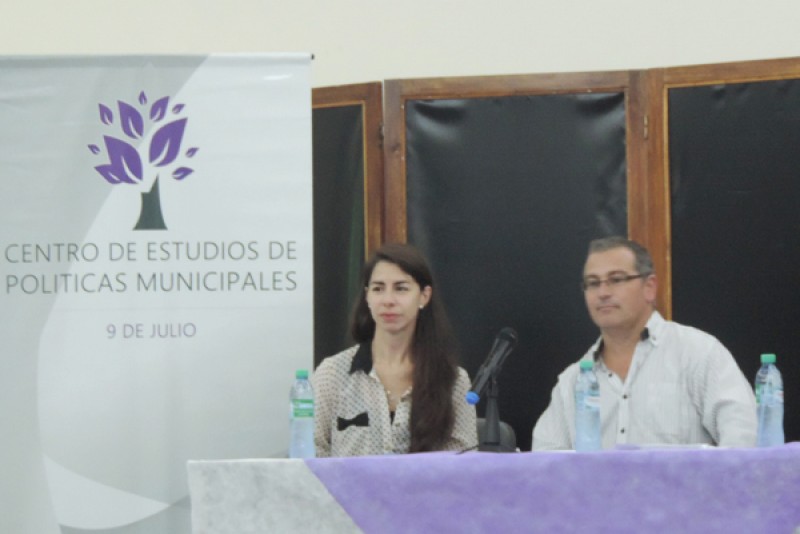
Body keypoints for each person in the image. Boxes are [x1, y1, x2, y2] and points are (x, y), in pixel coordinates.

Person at [532, 236, 757, 450]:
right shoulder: (572, 381)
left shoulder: (698, 353)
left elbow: (745, 440)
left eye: (616, 280)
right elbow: (545, 463)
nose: (603, 293)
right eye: (593, 283)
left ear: (649, 287)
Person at [312, 243, 477, 457]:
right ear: (367, 297)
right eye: (378, 289)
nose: (388, 300)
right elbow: (310, 455)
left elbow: (463, 465)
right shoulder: (332, 374)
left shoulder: (453, 380)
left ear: (424, 296)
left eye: (401, 288)